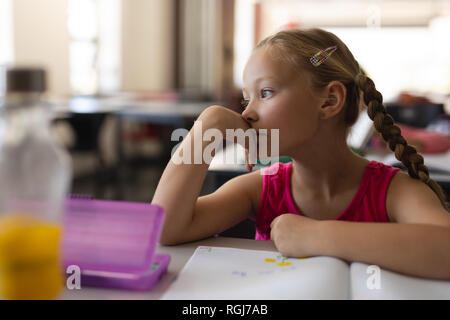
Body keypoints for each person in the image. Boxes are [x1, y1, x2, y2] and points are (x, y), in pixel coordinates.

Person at [152, 28, 450, 280]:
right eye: (246, 100)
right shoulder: (260, 188)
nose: (247, 113)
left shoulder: (394, 191)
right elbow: (164, 230)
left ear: (329, 100)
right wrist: (208, 125)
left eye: (265, 93)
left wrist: (315, 236)